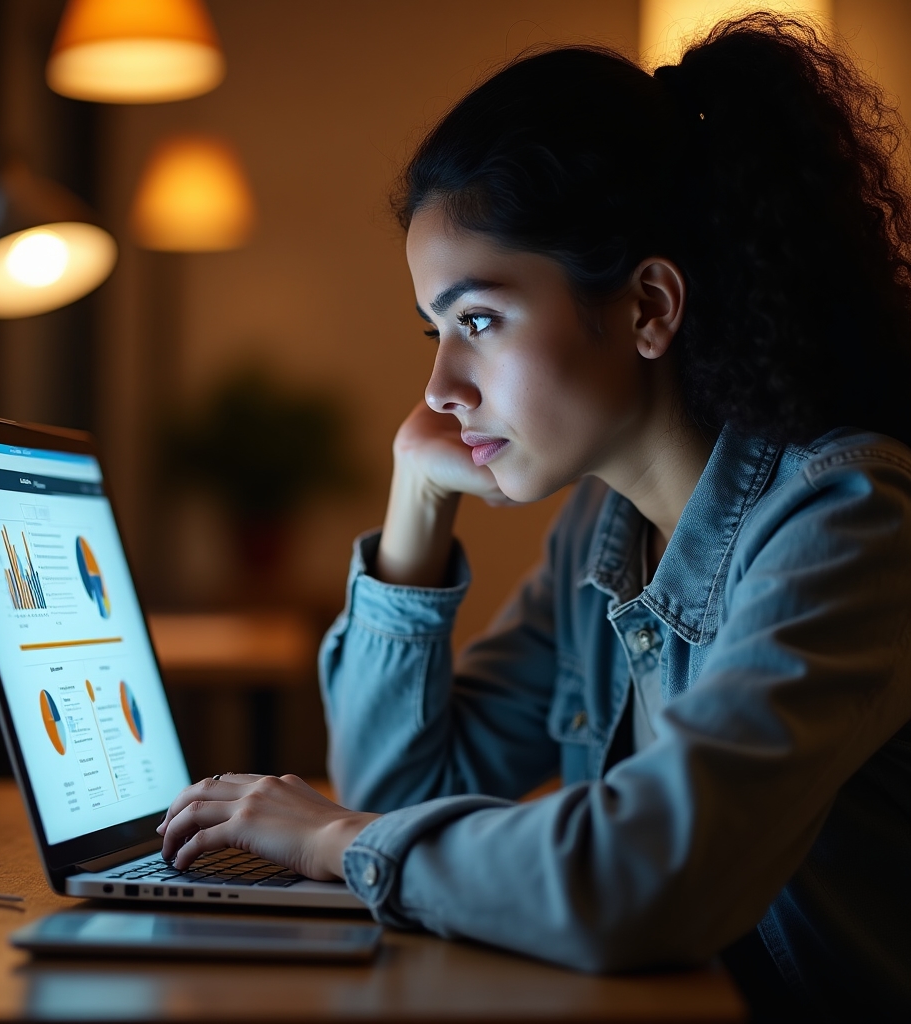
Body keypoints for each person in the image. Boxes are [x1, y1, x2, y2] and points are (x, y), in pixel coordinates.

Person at [157, 13, 910, 1021]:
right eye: (434, 332)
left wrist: (338, 840)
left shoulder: (850, 522)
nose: (439, 389)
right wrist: (416, 495)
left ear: (648, 306)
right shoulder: (602, 533)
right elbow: (397, 785)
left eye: (477, 321)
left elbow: (643, 877)